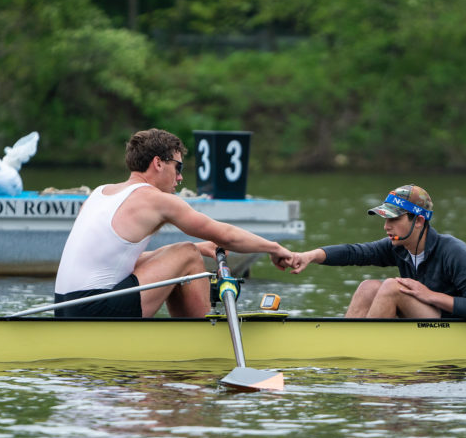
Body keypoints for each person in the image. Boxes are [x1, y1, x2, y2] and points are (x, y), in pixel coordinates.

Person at [54, 128, 293, 318]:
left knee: (189, 249)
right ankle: (202, 338)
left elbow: (120, 262)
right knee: (187, 253)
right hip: (94, 310)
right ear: (158, 163)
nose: (180, 178)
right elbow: (226, 235)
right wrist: (274, 247)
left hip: (63, 308)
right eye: (178, 167)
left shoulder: (99, 193)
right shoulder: (156, 200)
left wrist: (201, 248)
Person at [287, 184, 466, 321]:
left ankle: (362, 353)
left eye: (394, 219)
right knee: (368, 287)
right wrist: (310, 256)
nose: (386, 227)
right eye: (385, 219)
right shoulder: (398, 246)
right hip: (422, 324)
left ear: (419, 221)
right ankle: (345, 349)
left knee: (392, 287)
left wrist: (430, 296)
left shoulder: (454, 251)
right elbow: (354, 253)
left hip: (450, 328)